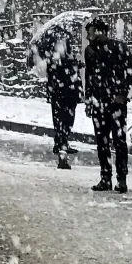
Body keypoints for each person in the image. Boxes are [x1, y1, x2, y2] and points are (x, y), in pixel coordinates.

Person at [84, 18, 132, 193]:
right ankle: (105, 177)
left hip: (116, 102)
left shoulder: (118, 47)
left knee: (119, 141)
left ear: (100, 31)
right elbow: (89, 77)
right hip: (98, 101)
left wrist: (122, 93)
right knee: (102, 141)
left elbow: (131, 71)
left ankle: (121, 179)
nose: (87, 37)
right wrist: (89, 100)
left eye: (90, 32)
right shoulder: (89, 51)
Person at [31, 21, 83, 169]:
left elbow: (65, 65)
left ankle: (62, 142)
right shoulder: (53, 52)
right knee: (62, 117)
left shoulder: (65, 51)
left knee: (67, 116)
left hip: (67, 89)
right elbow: (56, 69)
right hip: (61, 90)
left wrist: (75, 64)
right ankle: (61, 143)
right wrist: (69, 64)